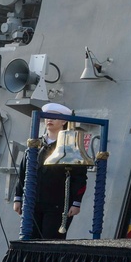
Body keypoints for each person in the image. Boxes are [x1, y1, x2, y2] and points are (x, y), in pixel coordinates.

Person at [13, 102, 88, 239]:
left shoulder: (69, 147)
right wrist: (18, 198)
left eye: (54, 117)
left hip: (57, 204)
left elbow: (79, 177)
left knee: (50, 241)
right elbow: (23, 172)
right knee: (30, 240)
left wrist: (76, 202)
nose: (49, 119)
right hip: (33, 202)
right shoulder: (35, 144)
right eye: (47, 116)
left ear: (64, 121)